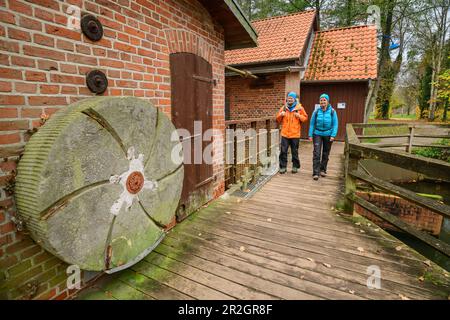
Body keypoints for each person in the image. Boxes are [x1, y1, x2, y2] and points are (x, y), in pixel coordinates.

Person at [308, 93, 338, 181]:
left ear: (328, 101)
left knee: (325, 153)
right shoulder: (316, 111)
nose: (322, 102)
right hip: (317, 133)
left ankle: (323, 170)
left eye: (324, 100)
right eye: (321, 100)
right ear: (319, 102)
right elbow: (312, 123)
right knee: (316, 153)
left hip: (328, 134)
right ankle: (315, 172)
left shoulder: (332, 111)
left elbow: (335, 124)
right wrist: (310, 134)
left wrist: (333, 135)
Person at [276, 92, 308, 174]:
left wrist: (299, 116)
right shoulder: (283, 108)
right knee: (283, 151)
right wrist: (281, 115)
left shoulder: (300, 108)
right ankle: (283, 167)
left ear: (294, 99)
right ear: (287, 99)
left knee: (294, 151)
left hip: (295, 134)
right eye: (288, 98)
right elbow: (278, 120)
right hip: (285, 134)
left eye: (291, 98)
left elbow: (305, 118)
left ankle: (295, 166)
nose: (290, 99)